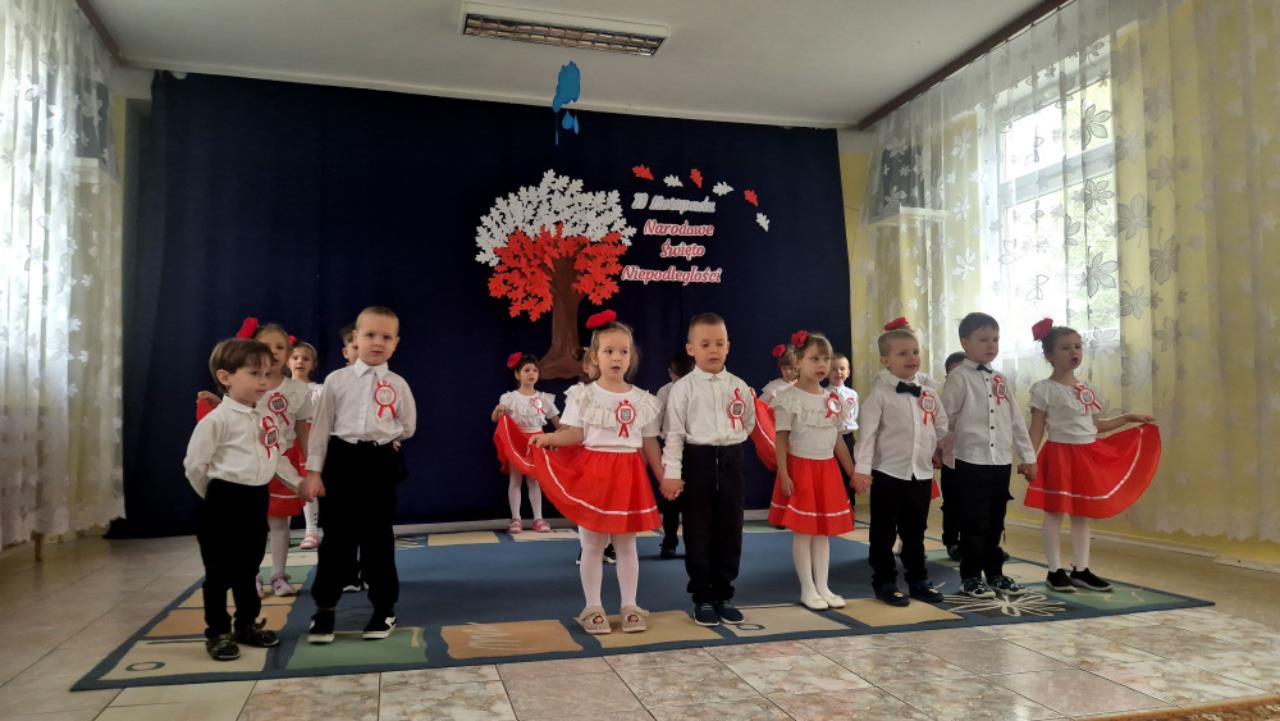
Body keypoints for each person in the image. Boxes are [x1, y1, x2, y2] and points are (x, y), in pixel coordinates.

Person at [507, 310, 664, 634]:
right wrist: (550, 438)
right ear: (595, 356)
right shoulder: (583, 395)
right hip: (595, 474)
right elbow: (574, 433)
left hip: (629, 474)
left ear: (631, 356)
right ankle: (593, 607)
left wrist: (664, 477)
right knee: (593, 544)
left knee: (627, 545)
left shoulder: (642, 400)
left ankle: (630, 605)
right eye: (609, 351)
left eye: (623, 351)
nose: (616, 357)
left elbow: (649, 442)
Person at [302, 306, 417, 643]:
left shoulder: (397, 384)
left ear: (396, 343)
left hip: (378, 463)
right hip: (341, 459)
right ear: (355, 338)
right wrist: (314, 473)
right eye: (369, 335)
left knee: (377, 539)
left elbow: (408, 425)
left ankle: (384, 609)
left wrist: (388, 438)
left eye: (386, 337)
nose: (377, 343)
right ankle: (325, 609)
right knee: (336, 539)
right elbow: (321, 429)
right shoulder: (336, 381)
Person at [1025, 318, 1160, 592]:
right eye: (1065, 347)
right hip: (1059, 455)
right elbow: (1037, 428)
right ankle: (1054, 571)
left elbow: (1096, 426)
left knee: (1082, 513)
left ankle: (1081, 569)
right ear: (1050, 355)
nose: (1073, 352)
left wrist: (1128, 418)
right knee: (1055, 512)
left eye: (1077, 346)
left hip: (1086, 455)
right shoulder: (1044, 389)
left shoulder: (1086, 390)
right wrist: (1029, 458)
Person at [183, 337, 293, 660]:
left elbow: (274, 455)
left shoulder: (264, 417)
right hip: (223, 499)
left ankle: (246, 624)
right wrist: (214, 496)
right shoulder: (216, 420)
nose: (263, 381)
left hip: (255, 498)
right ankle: (217, 632)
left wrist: (300, 483)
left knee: (249, 567)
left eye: (267, 374)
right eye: (254, 374)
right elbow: (195, 466)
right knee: (219, 572)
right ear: (225, 377)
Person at [661, 313, 756, 627]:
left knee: (731, 530)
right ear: (691, 349)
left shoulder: (739, 386)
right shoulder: (682, 389)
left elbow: (748, 423)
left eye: (719, 343)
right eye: (705, 344)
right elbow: (674, 434)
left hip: (732, 460)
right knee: (698, 532)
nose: (713, 350)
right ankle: (702, 596)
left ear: (728, 346)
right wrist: (672, 473)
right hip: (696, 461)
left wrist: (730, 443)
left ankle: (724, 594)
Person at [940, 313, 1036, 598]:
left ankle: (995, 573)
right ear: (965, 343)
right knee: (974, 521)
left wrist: (1028, 456)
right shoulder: (958, 377)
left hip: (1000, 460)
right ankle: (970, 576)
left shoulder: (1000, 379)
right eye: (983, 339)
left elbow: (1016, 420)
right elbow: (944, 419)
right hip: (970, 460)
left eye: (995, 339)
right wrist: (938, 451)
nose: (991, 345)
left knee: (996, 520)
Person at [853, 317, 948, 607]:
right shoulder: (879, 395)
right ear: (886, 360)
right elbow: (867, 436)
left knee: (915, 531)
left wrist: (937, 449)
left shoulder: (929, 393)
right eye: (903, 353)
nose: (911, 358)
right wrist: (862, 470)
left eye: (915, 352)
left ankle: (918, 579)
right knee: (883, 532)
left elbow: (941, 426)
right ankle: (884, 581)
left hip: (920, 474)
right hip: (888, 473)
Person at [768, 330, 862, 609]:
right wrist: (784, 474)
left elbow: (838, 440)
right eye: (814, 359)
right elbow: (781, 439)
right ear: (798, 361)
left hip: (827, 470)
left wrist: (852, 472)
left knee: (822, 533)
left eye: (826, 359)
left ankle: (823, 586)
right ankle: (807, 589)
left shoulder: (832, 399)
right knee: (804, 531)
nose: (822, 365)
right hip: (801, 469)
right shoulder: (788, 397)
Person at [491, 352, 560, 534]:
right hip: (517, 442)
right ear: (517, 374)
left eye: (535, 370)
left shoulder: (544, 398)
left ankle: (538, 518)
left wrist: (567, 434)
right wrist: (498, 409)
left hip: (537, 442)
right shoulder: (509, 398)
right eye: (527, 370)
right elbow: (495, 419)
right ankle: (516, 519)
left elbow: (558, 423)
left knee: (535, 481)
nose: (531, 374)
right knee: (515, 479)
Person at [654, 350, 695, 559]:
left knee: (694, 502)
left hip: (696, 449)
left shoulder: (699, 389)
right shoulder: (665, 392)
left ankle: (694, 545)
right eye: (674, 375)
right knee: (671, 500)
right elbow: (655, 421)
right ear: (670, 373)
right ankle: (669, 542)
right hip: (671, 449)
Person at [289, 341, 324, 550]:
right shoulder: (279, 388)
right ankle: (282, 530)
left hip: (308, 439)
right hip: (286, 441)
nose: (299, 362)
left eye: (305, 358)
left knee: (307, 485)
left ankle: (311, 532)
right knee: (285, 487)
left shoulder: (318, 390)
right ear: (287, 362)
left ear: (313, 364)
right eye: (295, 357)